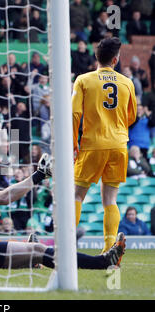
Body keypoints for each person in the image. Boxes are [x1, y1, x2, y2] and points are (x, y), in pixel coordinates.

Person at [0, 141, 126, 269]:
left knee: (34, 248)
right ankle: (102, 262)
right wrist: (39, 175)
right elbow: (5, 196)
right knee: (38, 250)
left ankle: (30, 261)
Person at [72, 37, 137, 254]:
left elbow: (74, 113)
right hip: (119, 145)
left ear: (96, 57)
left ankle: (65, 244)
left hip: (93, 143)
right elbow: (132, 116)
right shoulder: (127, 82)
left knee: (76, 194)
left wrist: (73, 142)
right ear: (115, 60)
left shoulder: (83, 80)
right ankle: (109, 249)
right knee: (110, 199)